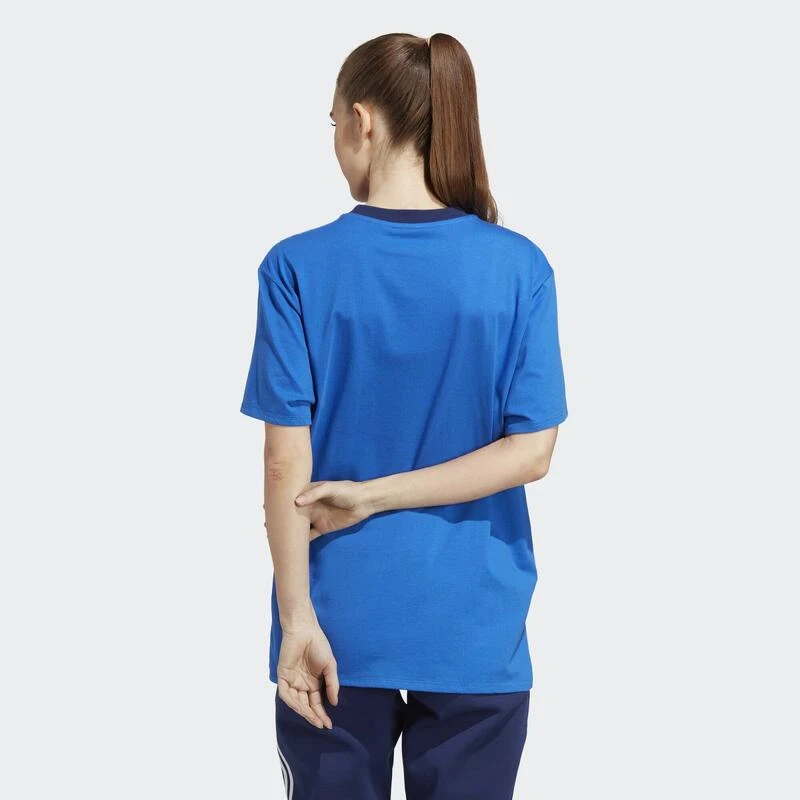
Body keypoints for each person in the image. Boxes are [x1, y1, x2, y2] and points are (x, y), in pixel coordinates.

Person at [240, 31, 568, 800]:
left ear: (362, 120)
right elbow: (530, 453)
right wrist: (375, 495)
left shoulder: (296, 265)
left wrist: (297, 620)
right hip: (474, 627)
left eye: (333, 124)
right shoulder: (518, 265)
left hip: (336, 624)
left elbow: (286, 463)